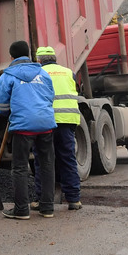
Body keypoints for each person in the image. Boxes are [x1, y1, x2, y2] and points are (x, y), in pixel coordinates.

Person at [0, 40, 56, 219]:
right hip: (46, 124)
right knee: (46, 165)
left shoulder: (8, 76)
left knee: (20, 167)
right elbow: (50, 97)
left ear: (11, 56)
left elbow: (1, 104)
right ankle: (47, 208)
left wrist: (7, 114)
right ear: (29, 54)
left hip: (23, 127)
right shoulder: (43, 73)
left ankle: (22, 210)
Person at [33, 46, 83, 211]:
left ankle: (42, 200)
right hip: (68, 120)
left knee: (43, 160)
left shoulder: (37, 74)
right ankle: (74, 200)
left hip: (46, 121)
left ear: (39, 60)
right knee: (68, 159)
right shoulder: (69, 72)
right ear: (55, 58)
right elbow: (76, 90)